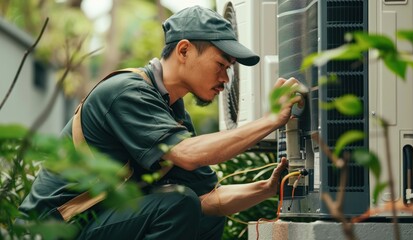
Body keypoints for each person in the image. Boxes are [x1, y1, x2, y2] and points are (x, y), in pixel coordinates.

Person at [18, 5, 306, 240]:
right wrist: (271, 119)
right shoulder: (126, 92)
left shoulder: (173, 114)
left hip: (93, 225)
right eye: (221, 65)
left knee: (203, 215)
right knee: (178, 204)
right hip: (52, 230)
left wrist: (268, 188)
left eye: (229, 69)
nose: (225, 79)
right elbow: (187, 154)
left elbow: (208, 199)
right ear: (183, 51)